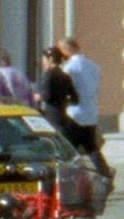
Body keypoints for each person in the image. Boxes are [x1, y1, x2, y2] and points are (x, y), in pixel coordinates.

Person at [59, 37, 113, 176]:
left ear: (66, 50)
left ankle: (71, 176)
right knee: (91, 147)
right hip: (90, 112)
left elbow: (66, 89)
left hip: (74, 113)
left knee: (70, 149)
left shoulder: (69, 68)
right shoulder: (93, 66)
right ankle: (105, 174)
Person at [36, 46, 79, 137]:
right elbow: (75, 98)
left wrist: (37, 97)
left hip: (51, 118)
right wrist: (63, 99)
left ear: (50, 59)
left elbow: (46, 95)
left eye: (44, 59)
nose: (42, 62)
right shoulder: (65, 75)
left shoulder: (49, 75)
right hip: (63, 118)